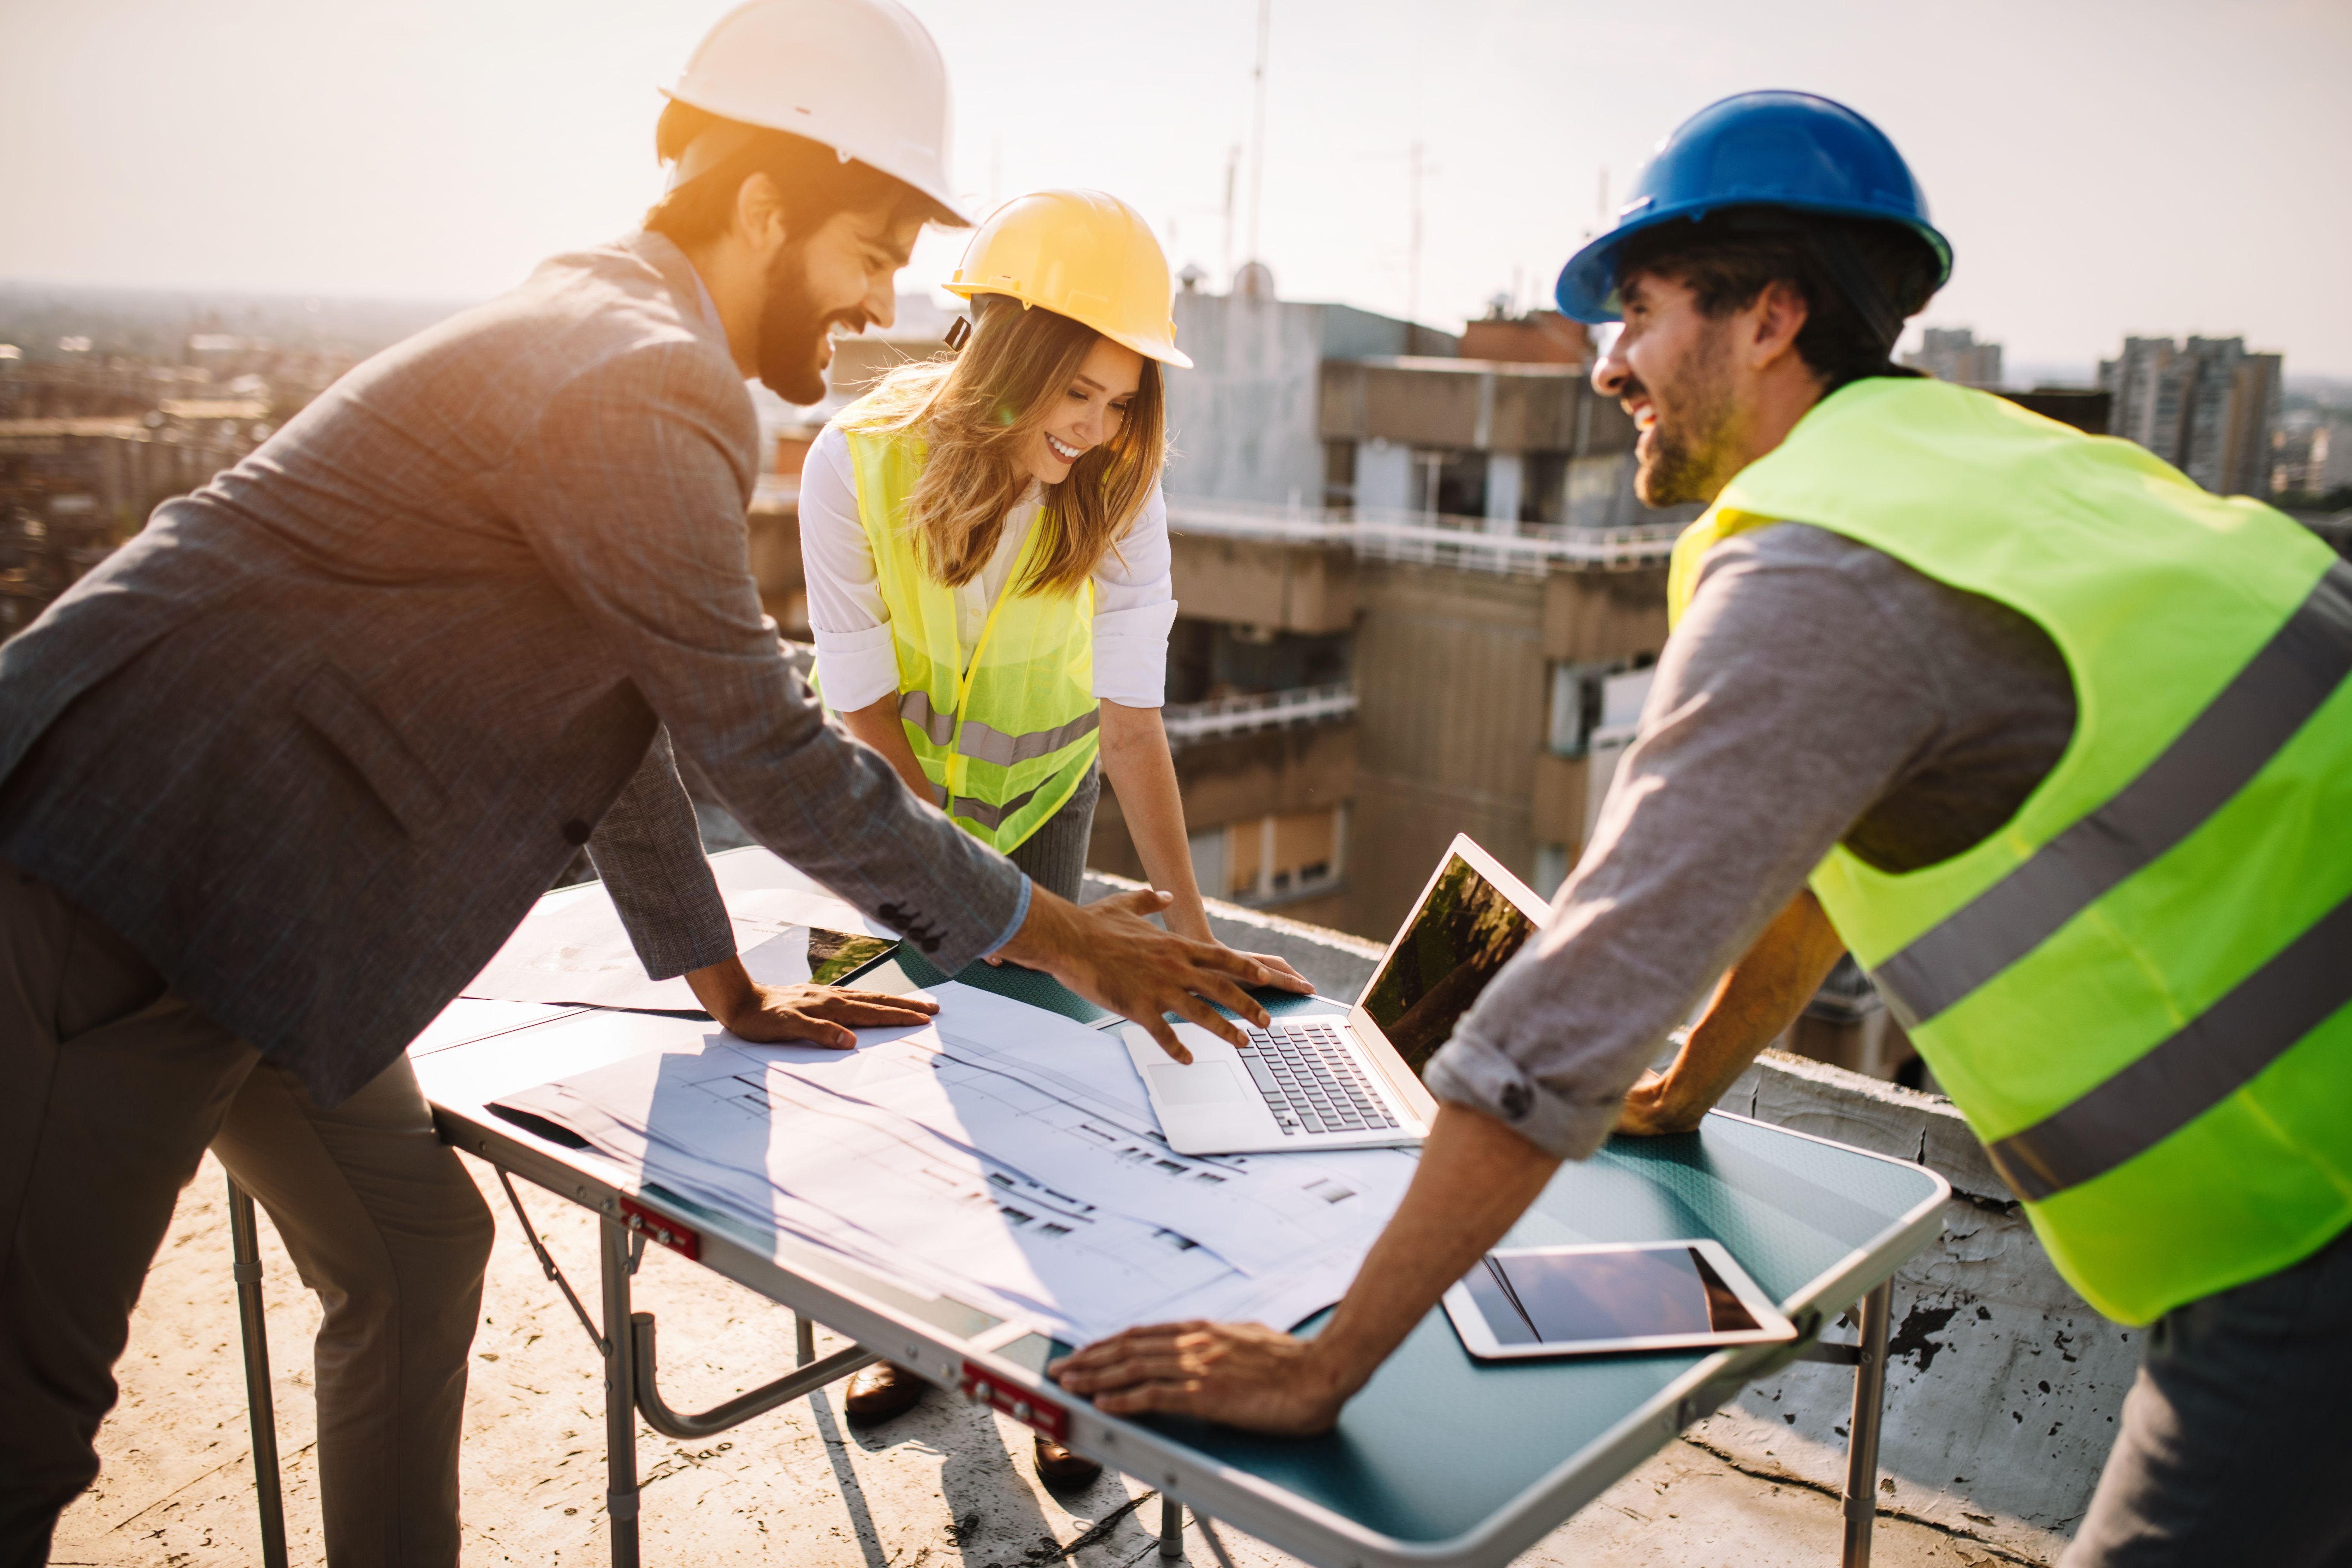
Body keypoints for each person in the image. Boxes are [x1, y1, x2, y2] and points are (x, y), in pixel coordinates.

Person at [0, 2, 1277, 1561]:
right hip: (111, 888)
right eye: (874, 246)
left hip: (269, 927)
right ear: (761, 208)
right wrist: (1069, 936)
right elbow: (765, 746)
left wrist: (728, 987)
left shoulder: (626, 346)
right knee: (24, 1431)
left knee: (408, 1263)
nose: (891, 294)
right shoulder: (637, 372)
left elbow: (620, 730)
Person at [1051, 91, 2352, 1568]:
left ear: (1771, 319)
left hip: (2313, 1213)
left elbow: (1574, 1008)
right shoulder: (2007, 473)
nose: (1607, 366)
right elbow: (1818, 874)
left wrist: (1326, 1361)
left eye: (1641, 313)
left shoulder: (1825, 572)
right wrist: (1684, 1093)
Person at [799, 188, 1309, 1484]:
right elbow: (859, 710)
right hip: (893, 804)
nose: (1095, 428)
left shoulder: (1113, 492)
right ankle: (922, 1332)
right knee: (920, 1078)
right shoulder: (847, 462)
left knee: (1054, 1082)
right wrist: (960, 903)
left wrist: (1191, 938)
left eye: (1122, 398)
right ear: (1002, 353)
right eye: (1075, 391)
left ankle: (1069, 1375)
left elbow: (1132, 724)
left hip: (1043, 805)